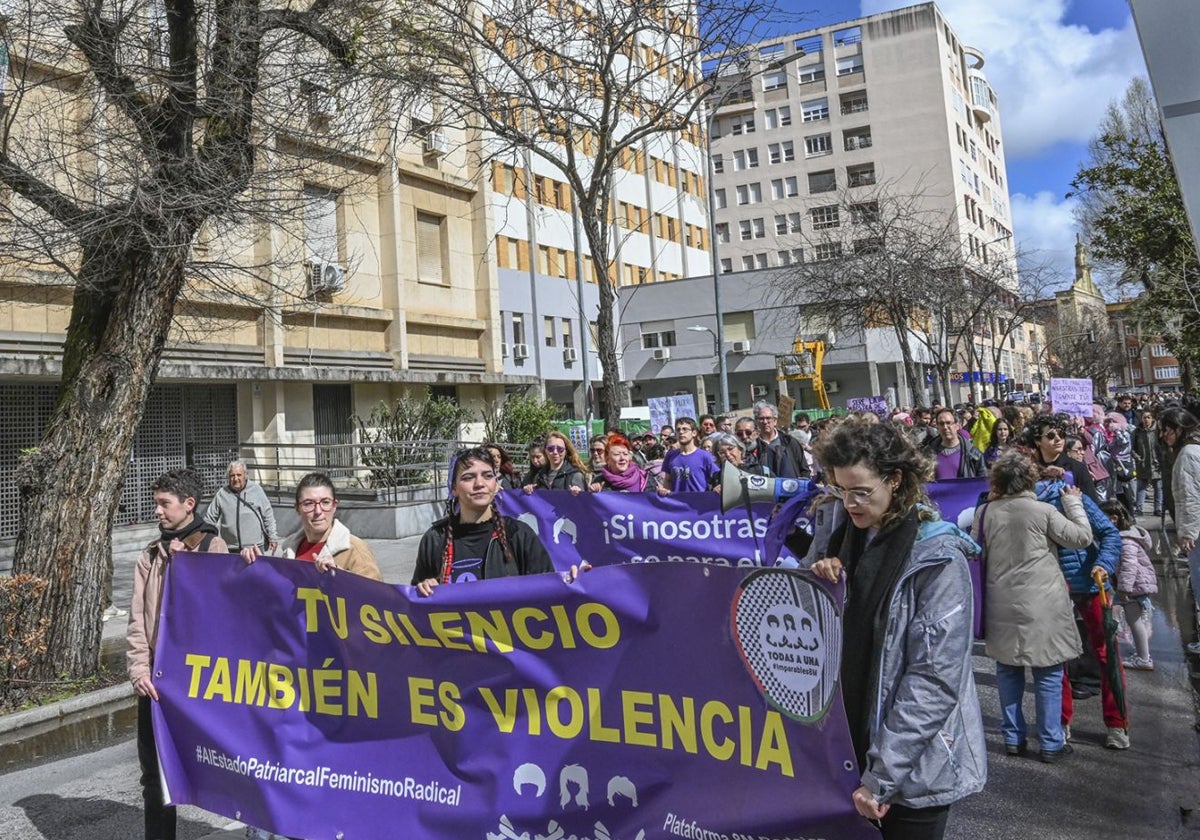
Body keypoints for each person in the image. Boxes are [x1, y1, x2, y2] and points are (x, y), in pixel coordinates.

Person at [809, 419, 985, 839]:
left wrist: (881, 775)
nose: (849, 503)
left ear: (895, 480)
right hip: (845, 758)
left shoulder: (938, 559)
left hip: (911, 777)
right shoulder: (842, 541)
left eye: (861, 491)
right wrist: (818, 583)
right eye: (840, 489)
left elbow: (934, 679)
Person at [128, 469, 227, 840]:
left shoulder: (211, 547)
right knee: (153, 777)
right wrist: (139, 670)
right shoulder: (150, 556)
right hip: (156, 682)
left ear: (189, 504)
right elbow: (137, 620)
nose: (157, 511)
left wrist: (187, 565)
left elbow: (221, 613)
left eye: (164, 504)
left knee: (217, 765)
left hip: (199, 678)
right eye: (156, 503)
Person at [973, 452, 1091, 762]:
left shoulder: (985, 513)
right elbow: (1081, 538)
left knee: (1008, 671)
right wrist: (1074, 503)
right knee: (1049, 673)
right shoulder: (1043, 511)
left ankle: (1013, 737)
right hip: (1044, 603)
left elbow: (976, 552)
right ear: (1030, 479)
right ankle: (1051, 742)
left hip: (1000, 601)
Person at [1035, 470, 1126, 749]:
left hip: (1089, 585)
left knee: (1106, 652)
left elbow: (1110, 533)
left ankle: (1117, 723)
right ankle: (1060, 722)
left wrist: (1104, 564)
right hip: (1052, 588)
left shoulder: (1073, 496)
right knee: (1055, 658)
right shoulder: (1024, 503)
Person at [413, 446, 557, 593]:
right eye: (468, 477)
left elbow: (550, 593)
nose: (479, 484)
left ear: (496, 485)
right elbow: (413, 606)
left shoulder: (519, 534)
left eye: (488, 476)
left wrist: (577, 580)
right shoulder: (435, 539)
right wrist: (424, 588)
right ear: (454, 488)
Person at [243, 472, 381, 580]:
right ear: (297, 508)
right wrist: (260, 567)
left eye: (325, 502)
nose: (318, 511)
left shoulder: (355, 549)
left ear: (334, 506)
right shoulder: (290, 550)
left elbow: (376, 599)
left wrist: (340, 576)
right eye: (308, 504)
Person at [1158, 407, 1200, 655]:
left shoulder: (1187, 455)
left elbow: (1190, 498)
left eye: (1166, 430)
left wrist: (1188, 533)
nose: (1163, 435)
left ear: (1179, 428)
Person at [1106, 500, 1157, 671]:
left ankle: (1144, 658)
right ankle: (1143, 656)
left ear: (1113, 519)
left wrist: (1124, 589)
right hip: (1135, 586)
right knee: (1134, 621)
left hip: (1134, 587)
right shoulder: (1128, 536)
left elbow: (1129, 567)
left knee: (1135, 622)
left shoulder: (1126, 541)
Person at [203, 460, 279, 554]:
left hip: (254, 547)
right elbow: (209, 519)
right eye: (232, 475)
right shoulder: (222, 494)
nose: (235, 479)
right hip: (230, 548)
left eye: (239, 475)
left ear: (245, 475)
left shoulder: (256, 490)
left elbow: (268, 515)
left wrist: (273, 537)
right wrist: (206, 540)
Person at [1027, 416, 1099, 504]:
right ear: (1037, 441)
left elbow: (1092, 504)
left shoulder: (1077, 468)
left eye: (1061, 434)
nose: (1058, 439)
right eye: (1051, 436)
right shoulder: (1028, 468)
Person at [657, 417, 720, 494]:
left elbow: (717, 479)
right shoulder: (670, 455)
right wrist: (664, 492)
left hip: (699, 503)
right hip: (677, 503)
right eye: (678, 429)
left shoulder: (705, 456)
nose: (681, 432)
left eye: (685, 429)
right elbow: (668, 480)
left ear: (694, 433)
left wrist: (717, 488)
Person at [750, 401, 811, 479]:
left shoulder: (790, 442)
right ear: (757, 422)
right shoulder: (753, 445)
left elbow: (804, 470)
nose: (765, 422)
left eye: (768, 418)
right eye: (761, 419)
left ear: (775, 421)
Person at [924, 408, 986, 479]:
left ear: (957, 425)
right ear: (937, 427)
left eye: (948, 423)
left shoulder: (974, 454)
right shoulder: (928, 453)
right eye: (941, 424)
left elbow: (982, 483)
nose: (945, 427)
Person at [523, 431, 588, 494]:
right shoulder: (539, 476)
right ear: (545, 451)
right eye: (550, 448)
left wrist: (579, 494)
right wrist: (528, 491)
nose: (555, 452)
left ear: (566, 451)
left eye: (560, 449)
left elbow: (584, 503)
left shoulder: (575, 476)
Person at [1131, 410, 1162, 516]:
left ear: (1152, 418)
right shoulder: (1137, 432)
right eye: (1144, 417)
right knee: (1141, 487)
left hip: (1156, 464)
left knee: (1158, 487)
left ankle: (1158, 508)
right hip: (1142, 464)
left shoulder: (1158, 431)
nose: (1146, 419)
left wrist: (1160, 458)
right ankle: (1139, 508)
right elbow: (1132, 449)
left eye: (1149, 417)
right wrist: (1138, 458)